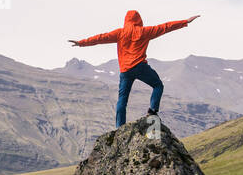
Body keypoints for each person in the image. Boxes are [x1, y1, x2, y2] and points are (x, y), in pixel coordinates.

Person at [70, 10, 200, 127]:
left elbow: (100, 38)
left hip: (125, 70)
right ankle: (152, 111)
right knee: (158, 85)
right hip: (140, 66)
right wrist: (185, 22)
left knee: (122, 100)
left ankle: (119, 127)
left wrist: (81, 43)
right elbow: (165, 27)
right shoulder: (144, 31)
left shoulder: (120, 33)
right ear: (139, 20)